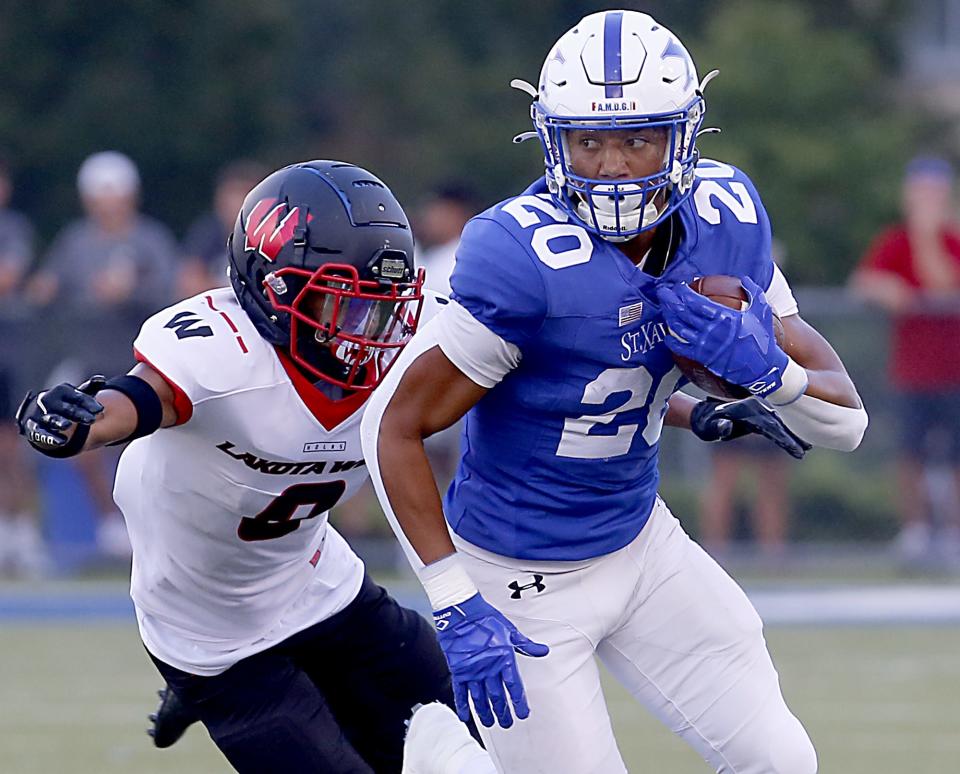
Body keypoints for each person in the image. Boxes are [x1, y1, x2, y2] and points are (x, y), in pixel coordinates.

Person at [361, 11, 868, 774]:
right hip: (520, 576)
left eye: (638, 138)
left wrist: (768, 375)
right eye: (588, 140)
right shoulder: (519, 256)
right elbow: (391, 427)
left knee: (781, 759)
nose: (611, 165)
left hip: (641, 543)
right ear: (552, 140)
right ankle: (445, 757)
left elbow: (845, 422)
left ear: (684, 136)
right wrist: (453, 596)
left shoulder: (720, 221)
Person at [16, 160, 463, 773]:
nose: (370, 334)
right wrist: (73, 424)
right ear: (272, 289)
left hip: (317, 585)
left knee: (478, 730)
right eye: (344, 306)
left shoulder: (415, 336)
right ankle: (197, 690)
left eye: (382, 307)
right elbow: (135, 401)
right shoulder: (222, 354)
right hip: (211, 637)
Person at [851, 156, 960, 563]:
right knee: (909, 455)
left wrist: (926, 236)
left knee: (954, 458)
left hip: (954, 373)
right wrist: (887, 287)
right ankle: (915, 531)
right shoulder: (894, 241)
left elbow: (943, 283)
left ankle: (952, 533)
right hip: (912, 372)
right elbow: (863, 282)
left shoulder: (949, 240)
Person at [0, 158, 46, 576]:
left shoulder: (13, 229)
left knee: (15, 447)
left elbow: (8, 278)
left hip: (9, 352)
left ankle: (26, 533)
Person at [177, 159, 269, 298]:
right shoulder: (207, 233)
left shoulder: (272, 237)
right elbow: (190, 282)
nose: (237, 201)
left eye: (245, 192)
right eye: (233, 193)